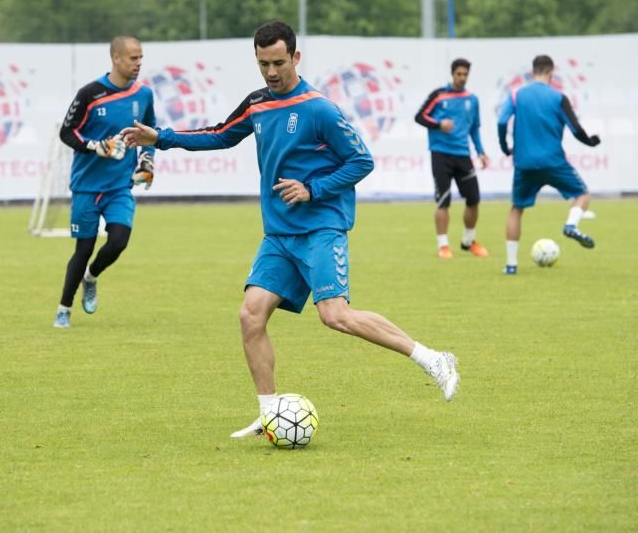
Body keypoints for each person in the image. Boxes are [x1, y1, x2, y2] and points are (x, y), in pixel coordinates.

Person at [122, 21, 460, 437]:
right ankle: (269, 413)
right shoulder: (258, 103)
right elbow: (220, 135)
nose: (271, 72)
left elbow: (361, 162)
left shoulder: (319, 109)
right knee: (250, 316)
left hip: (321, 227)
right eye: (263, 63)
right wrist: (161, 138)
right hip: (279, 235)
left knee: (334, 315)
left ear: (296, 57)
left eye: (279, 62)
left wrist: (312, 188)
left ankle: (432, 358)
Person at [53, 35, 157, 328]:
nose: (138, 64)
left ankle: (92, 276)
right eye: (132, 58)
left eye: (140, 58)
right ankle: (64, 308)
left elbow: (150, 134)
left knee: (119, 241)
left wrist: (147, 161)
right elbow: (67, 133)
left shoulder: (144, 94)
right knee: (83, 249)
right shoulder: (90, 93)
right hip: (86, 187)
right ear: (115, 58)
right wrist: (96, 146)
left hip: (118, 187)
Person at [496, 54, 601, 275]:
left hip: (524, 163)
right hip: (554, 162)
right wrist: (590, 142)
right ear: (551, 73)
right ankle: (571, 225)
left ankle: (511, 265)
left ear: (532, 72)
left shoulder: (516, 95)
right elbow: (576, 129)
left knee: (516, 209)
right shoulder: (558, 97)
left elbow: (501, 121)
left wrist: (504, 146)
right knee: (582, 195)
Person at [414, 58, 490, 260]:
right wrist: (439, 124)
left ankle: (468, 241)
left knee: (474, 200)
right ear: (452, 74)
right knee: (443, 201)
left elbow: (474, 128)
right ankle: (443, 246)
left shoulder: (472, 100)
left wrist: (481, 151)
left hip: (463, 155)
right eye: (459, 74)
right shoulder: (439, 95)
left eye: (465, 74)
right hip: (441, 155)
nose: (462, 78)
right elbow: (420, 116)